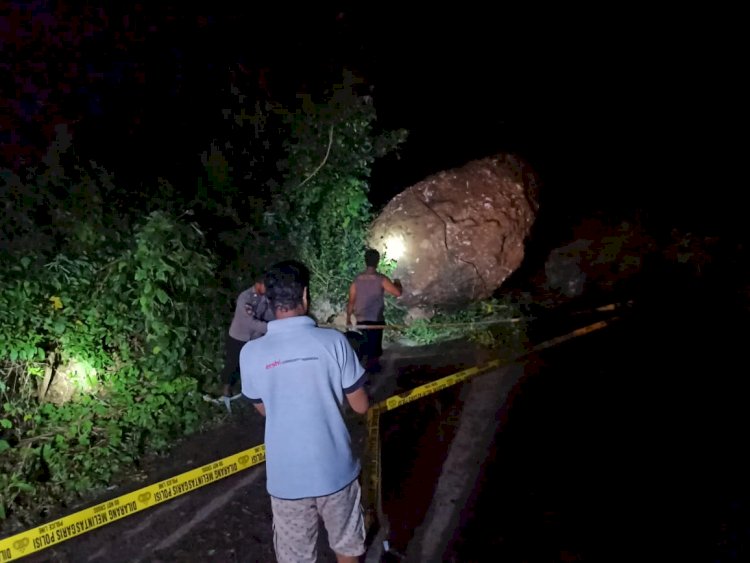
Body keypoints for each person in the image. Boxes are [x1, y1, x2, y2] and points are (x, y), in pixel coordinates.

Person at [240, 260, 369, 563]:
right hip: (336, 470)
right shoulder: (334, 342)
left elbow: (264, 410)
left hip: (287, 479)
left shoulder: (251, 353)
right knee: (347, 545)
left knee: (296, 557)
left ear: (269, 302)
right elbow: (360, 404)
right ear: (305, 296)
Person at [346, 248, 403, 372]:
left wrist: (348, 318)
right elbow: (397, 293)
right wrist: (397, 282)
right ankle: (373, 371)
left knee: (366, 347)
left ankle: (365, 371)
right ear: (377, 262)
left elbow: (351, 301)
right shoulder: (381, 279)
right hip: (376, 320)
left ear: (365, 261)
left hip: (361, 321)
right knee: (374, 350)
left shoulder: (357, 280)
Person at [218, 275, 274, 398]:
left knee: (253, 363)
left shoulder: (266, 298)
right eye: (267, 286)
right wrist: (272, 328)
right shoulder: (245, 297)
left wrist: (274, 323)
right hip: (239, 336)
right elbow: (249, 322)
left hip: (255, 338)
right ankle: (226, 389)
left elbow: (269, 314)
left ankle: (251, 389)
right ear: (258, 284)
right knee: (232, 364)